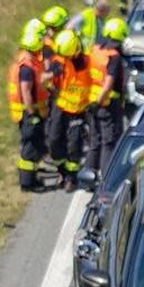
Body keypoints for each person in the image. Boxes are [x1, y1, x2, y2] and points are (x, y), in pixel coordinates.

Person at [6, 19, 50, 192]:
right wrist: (32, 115)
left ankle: (31, 176)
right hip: (29, 114)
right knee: (29, 149)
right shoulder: (26, 68)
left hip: (29, 112)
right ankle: (27, 183)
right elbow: (26, 92)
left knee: (33, 146)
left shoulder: (27, 62)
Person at [46, 29, 90, 191]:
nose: (66, 60)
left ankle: (71, 177)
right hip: (61, 108)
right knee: (54, 140)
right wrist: (50, 86)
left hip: (79, 111)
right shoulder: (59, 61)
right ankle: (62, 171)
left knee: (74, 144)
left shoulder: (89, 62)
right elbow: (49, 81)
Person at [86, 17, 129, 176]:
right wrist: (99, 101)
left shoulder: (96, 50)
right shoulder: (114, 57)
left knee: (94, 141)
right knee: (108, 142)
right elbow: (109, 83)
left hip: (91, 101)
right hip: (107, 104)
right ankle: (107, 177)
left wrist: (93, 102)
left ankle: (88, 175)